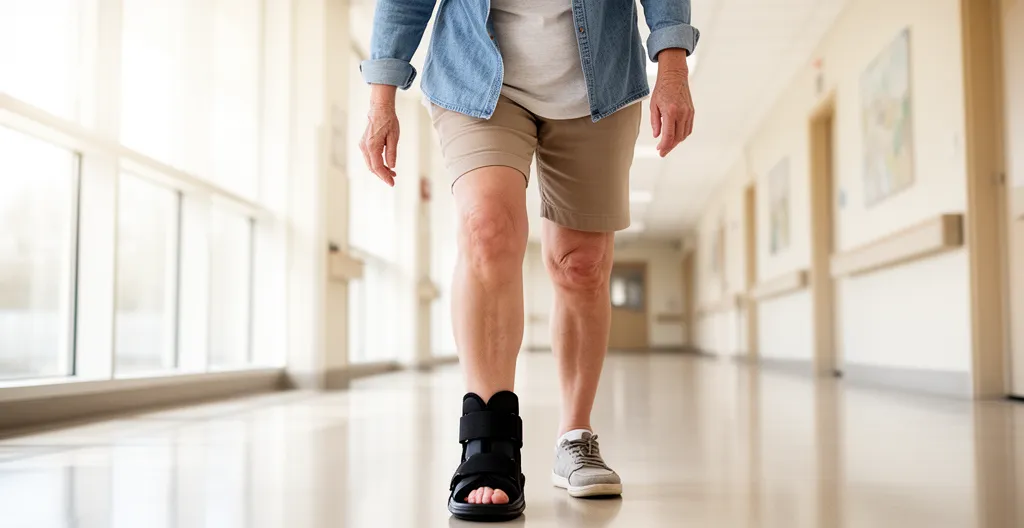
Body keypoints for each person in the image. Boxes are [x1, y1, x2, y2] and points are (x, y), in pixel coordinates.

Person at [359, 0, 698, 521]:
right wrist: (381, 96)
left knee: (580, 262)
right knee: (486, 228)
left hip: (598, 83)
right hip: (474, 75)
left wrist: (672, 64)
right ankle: (488, 439)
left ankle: (575, 435)